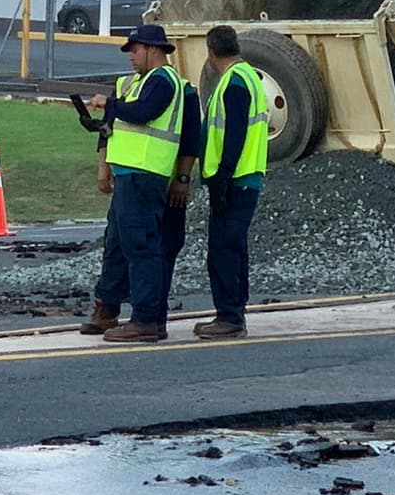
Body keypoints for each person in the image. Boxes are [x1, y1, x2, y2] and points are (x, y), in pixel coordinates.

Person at [86, 23, 187, 344]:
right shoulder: (136, 82)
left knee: (141, 247)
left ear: (154, 49)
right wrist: (105, 163)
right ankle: (108, 308)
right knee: (118, 244)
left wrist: (109, 104)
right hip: (129, 173)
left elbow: (144, 113)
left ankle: (146, 319)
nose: (131, 55)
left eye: (135, 49)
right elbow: (114, 127)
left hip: (145, 173)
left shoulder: (163, 80)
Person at [195, 25, 269, 340]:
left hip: (235, 179)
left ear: (211, 52)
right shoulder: (248, 76)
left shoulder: (234, 82)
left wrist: (222, 176)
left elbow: (234, 133)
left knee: (223, 249)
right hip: (245, 176)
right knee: (234, 248)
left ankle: (229, 317)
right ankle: (233, 312)